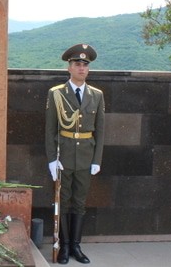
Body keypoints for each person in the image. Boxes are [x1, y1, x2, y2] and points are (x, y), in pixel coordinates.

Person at [45, 44, 105, 264]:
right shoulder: (57, 94)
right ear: (69, 68)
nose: (81, 68)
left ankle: (76, 247)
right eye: (77, 64)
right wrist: (52, 159)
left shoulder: (96, 96)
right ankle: (63, 247)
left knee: (79, 203)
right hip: (64, 156)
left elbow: (101, 130)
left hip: (86, 157)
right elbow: (50, 130)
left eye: (84, 65)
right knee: (63, 201)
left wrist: (96, 160)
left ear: (88, 69)